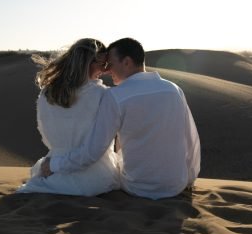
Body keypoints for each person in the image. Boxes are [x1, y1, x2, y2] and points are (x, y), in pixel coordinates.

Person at [41, 38, 201, 200]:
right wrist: (189, 179)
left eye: (110, 64)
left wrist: (54, 164)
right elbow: (191, 140)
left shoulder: (116, 96)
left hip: (136, 187)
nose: (107, 71)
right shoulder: (173, 89)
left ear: (126, 62)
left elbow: (93, 151)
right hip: (176, 186)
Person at [17, 38, 120, 196]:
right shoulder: (103, 95)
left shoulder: (47, 93)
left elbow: (45, 135)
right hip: (94, 177)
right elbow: (95, 149)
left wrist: (56, 159)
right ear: (90, 63)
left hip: (51, 171)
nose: (105, 70)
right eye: (103, 65)